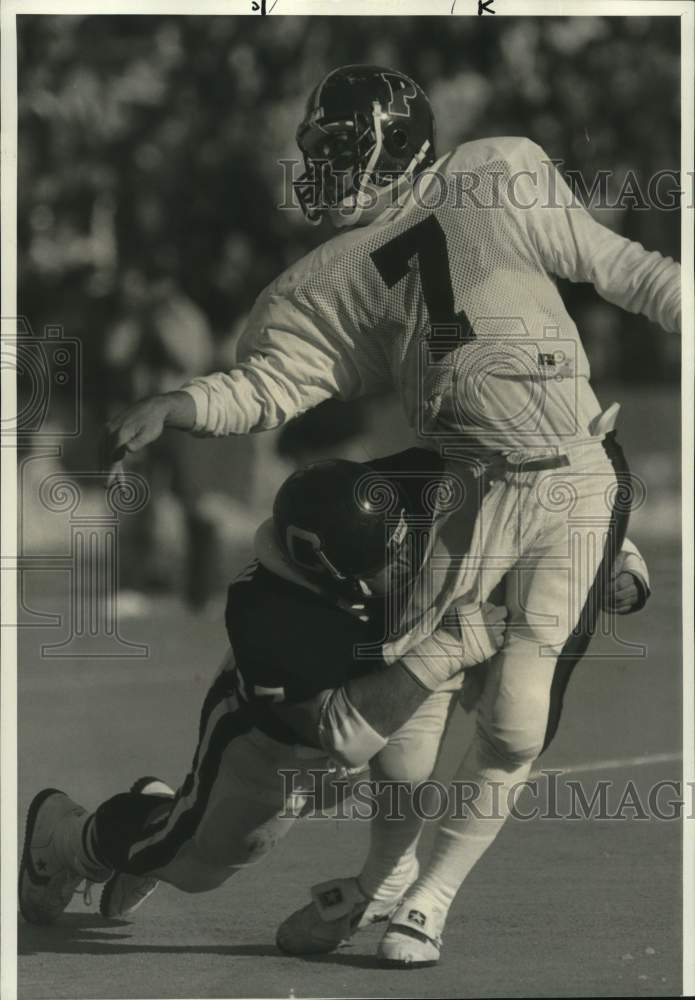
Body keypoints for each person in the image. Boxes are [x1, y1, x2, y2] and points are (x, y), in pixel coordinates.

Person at [99, 65, 674, 962]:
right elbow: (274, 382)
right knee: (405, 728)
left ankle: (427, 900)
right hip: (465, 489)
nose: (319, 172)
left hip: (572, 477)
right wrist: (189, 401)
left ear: (394, 143)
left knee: (517, 714)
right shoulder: (322, 277)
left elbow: (627, 271)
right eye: (314, 154)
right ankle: (382, 875)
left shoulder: (494, 173)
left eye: (336, 152)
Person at [19, 450, 648, 955]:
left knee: (411, 768)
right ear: (324, 569)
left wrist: (609, 549)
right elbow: (343, 733)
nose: (406, 558)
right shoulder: (268, 613)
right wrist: (446, 650)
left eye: (403, 540)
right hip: (275, 740)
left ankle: (388, 882)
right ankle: (69, 837)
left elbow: (523, 488)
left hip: (382, 692)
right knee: (196, 866)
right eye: (385, 559)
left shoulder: (400, 488)